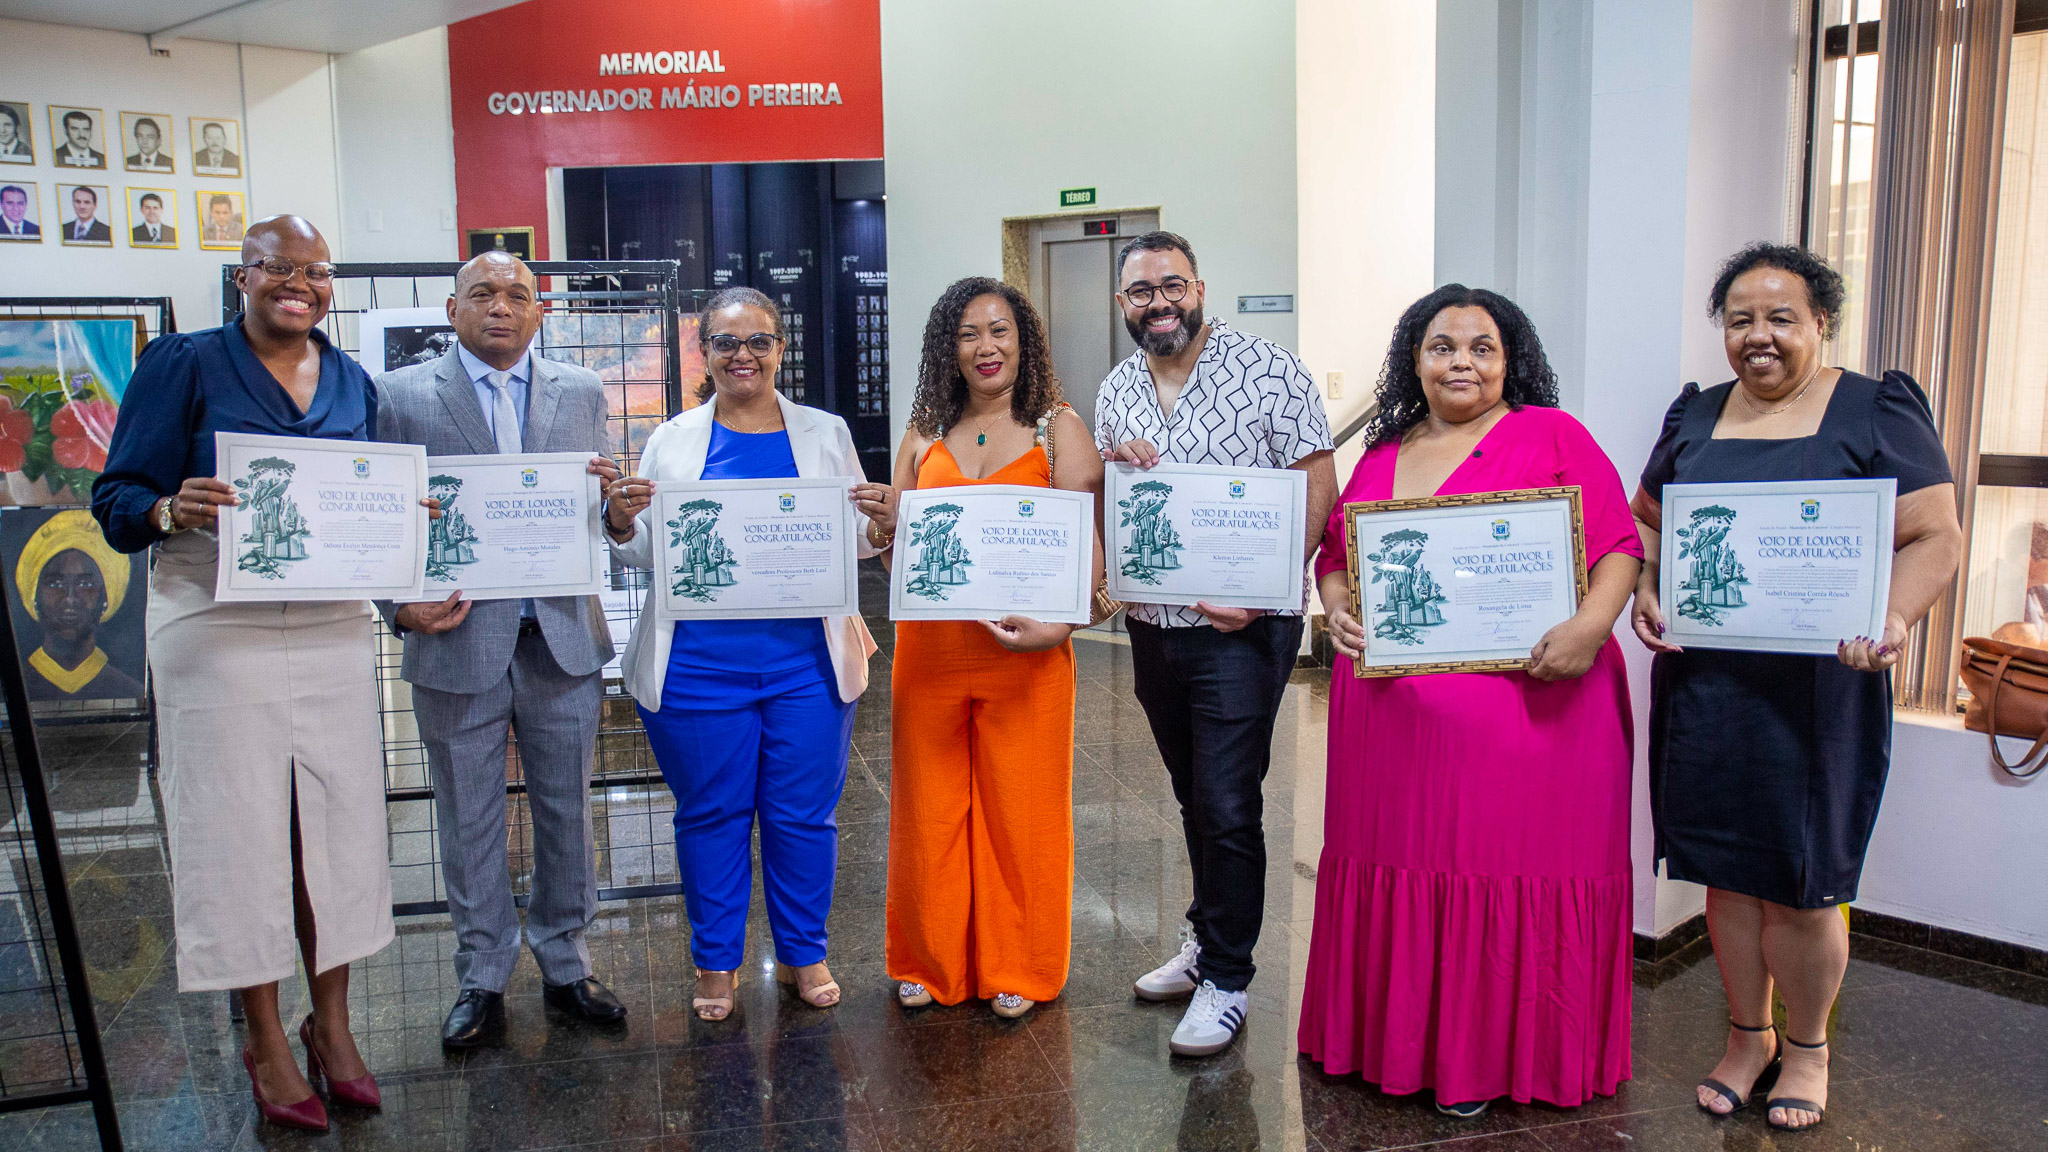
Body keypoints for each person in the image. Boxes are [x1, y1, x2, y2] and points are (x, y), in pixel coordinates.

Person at [1631, 244, 1962, 1133]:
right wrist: (1652, 589)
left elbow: (1936, 535)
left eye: (1782, 318)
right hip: (1709, 689)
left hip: (1824, 693)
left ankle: (1807, 1048)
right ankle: (1748, 1037)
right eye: (1741, 320)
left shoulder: (1874, 407)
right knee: (1728, 877)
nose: (1759, 337)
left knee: (1805, 880)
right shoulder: (1695, 415)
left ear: (1823, 322)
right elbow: (1650, 520)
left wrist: (1892, 620)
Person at [91, 215, 410, 1131]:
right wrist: (166, 507)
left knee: (340, 828)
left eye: (315, 270)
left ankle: (335, 1026)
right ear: (243, 276)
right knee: (238, 833)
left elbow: (362, 495)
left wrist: (399, 517)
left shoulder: (352, 379)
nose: (298, 284)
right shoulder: (183, 364)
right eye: (278, 268)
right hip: (214, 619)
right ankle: (267, 1035)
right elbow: (113, 500)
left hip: (331, 625)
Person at [1300, 285, 1643, 1115]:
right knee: (1409, 869)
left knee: (1508, 871)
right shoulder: (1384, 454)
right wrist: (1340, 605)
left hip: (1535, 710)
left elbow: (1619, 547)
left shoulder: (1552, 435)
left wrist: (1592, 629)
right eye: (1441, 346)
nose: (1461, 362)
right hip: (1394, 728)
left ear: (1510, 359)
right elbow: (1336, 553)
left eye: (1481, 347)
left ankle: (1487, 1059)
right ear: (1413, 360)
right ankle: (1395, 1044)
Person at [603, 286, 881, 1021]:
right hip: (698, 665)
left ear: (780, 350)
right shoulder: (672, 439)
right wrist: (622, 523)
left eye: (758, 340)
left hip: (805, 665)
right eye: (726, 342)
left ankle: (802, 952)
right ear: (706, 350)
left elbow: (849, 542)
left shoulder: (824, 432)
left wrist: (879, 528)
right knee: (711, 815)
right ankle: (717, 960)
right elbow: (647, 555)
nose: (743, 355)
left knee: (803, 817)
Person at [373, 251, 627, 1048]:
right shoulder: (401, 396)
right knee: (468, 816)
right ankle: (482, 974)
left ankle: (566, 960)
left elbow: (597, 516)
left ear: (539, 311)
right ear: (452, 310)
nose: (501, 307)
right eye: (482, 293)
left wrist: (615, 509)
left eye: (518, 294)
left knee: (566, 810)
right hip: (454, 640)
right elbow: (381, 518)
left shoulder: (582, 393)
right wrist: (396, 608)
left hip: (559, 637)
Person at [1093, 231, 1337, 1057]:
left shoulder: (1272, 371)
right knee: (1193, 793)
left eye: (1172, 287)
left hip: (1242, 631)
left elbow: (1318, 486)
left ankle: (1230, 978)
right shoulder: (1117, 389)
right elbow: (1118, 508)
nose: (1159, 304)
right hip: (1155, 630)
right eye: (1140, 294)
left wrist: (1265, 593)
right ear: (1122, 305)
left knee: (1230, 803)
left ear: (1200, 287)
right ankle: (1205, 940)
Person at [861, 276, 1105, 1021]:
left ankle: (1018, 965)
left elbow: (1093, 547)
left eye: (1000, 331)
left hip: (1027, 653)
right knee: (927, 808)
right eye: (969, 333)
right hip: (931, 652)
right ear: (949, 347)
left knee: (1021, 810)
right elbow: (888, 547)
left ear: (1023, 341)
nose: (986, 346)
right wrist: (882, 525)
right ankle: (928, 961)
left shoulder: (1056, 429)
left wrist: (1064, 626)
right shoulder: (924, 432)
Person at [14, 510, 144, 700]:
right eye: (55, 584)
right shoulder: (12, 690)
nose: (70, 598)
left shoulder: (131, 693)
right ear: (35, 595)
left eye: (86, 584)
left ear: (105, 598)